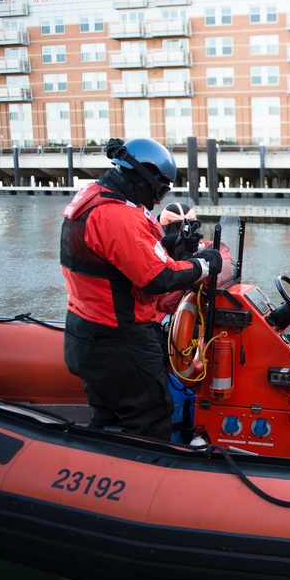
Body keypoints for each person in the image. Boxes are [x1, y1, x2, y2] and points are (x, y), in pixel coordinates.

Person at [60, 138, 223, 440]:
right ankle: (145, 479)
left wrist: (168, 246)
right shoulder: (116, 215)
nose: (160, 199)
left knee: (106, 416)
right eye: (160, 190)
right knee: (150, 418)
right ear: (143, 178)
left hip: (84, 331)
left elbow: (116, 258)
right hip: (119, 339)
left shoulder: (91, 199)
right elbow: (156, 278)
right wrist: (203, 264)